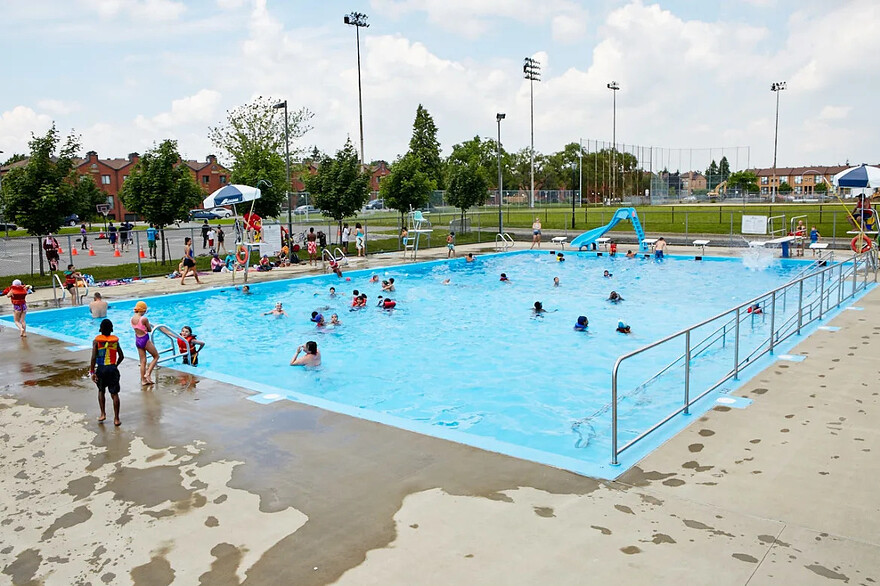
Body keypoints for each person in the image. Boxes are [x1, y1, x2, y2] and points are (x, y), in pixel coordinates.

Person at [89, 318, 124, 426]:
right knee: (114, 394)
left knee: (101, 390)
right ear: (111, 329)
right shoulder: (115, 342)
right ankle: (116, 419)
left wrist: (92, 371)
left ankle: (103, 414)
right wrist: (115, 365)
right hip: (112, 368)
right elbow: (121, 356)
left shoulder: (96, 342)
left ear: (100, 329)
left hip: (101, 369)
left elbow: (94, 357)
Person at [130, 301, 158, 385]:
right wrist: (152, 326)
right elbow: (149, 330)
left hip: (138, 340)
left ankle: (143, 380)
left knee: (142, 361)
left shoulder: (132, 319)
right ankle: (148, 373)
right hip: (144, 339)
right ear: (143, 310)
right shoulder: (144, 319)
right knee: (156, 356)